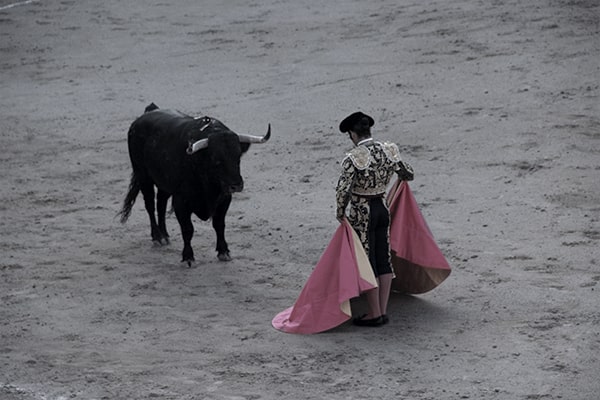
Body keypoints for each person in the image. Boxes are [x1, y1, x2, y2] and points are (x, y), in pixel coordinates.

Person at [336, 111, 414, 327]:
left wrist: (340, 212)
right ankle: (382, 310)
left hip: (363, 212)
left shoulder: (353, 157)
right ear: (369, 130)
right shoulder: (389, 150)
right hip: (382, 207)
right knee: (383, 258)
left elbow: (343, 191)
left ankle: (374, 313)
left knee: (367, 260)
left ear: (352, 134)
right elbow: (408, 174)